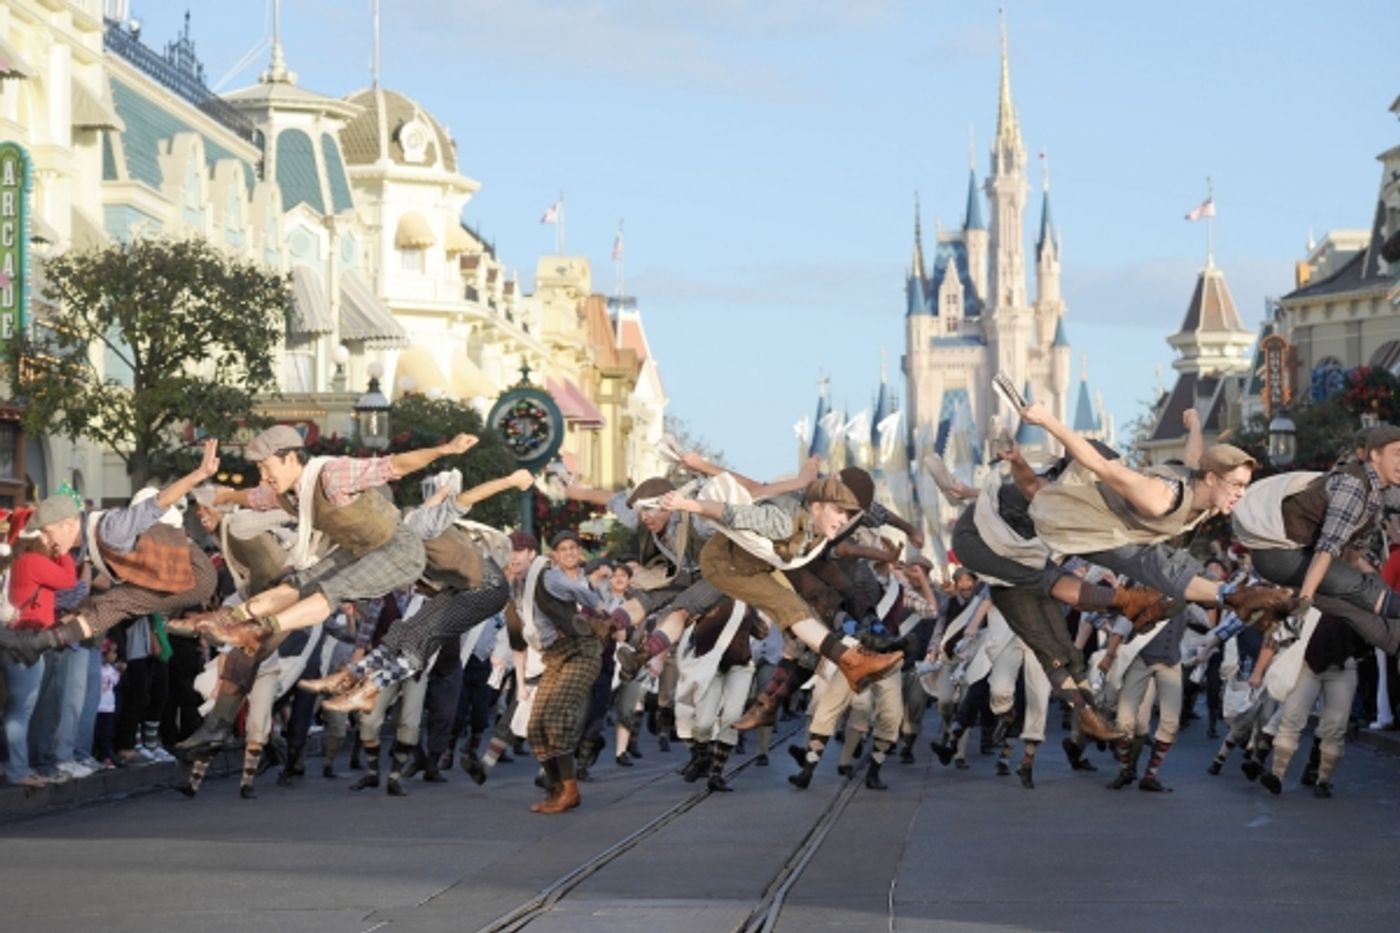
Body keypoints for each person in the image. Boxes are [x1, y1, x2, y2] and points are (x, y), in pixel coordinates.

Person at [1, 496, 82, 788]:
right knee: (20, 710)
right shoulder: (34, 561)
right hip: (26, 642)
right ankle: (17, 770)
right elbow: (69, 580)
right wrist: (63, 552)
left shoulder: (22, 559)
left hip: (15, 638)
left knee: (14, 708)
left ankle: (14, 766)